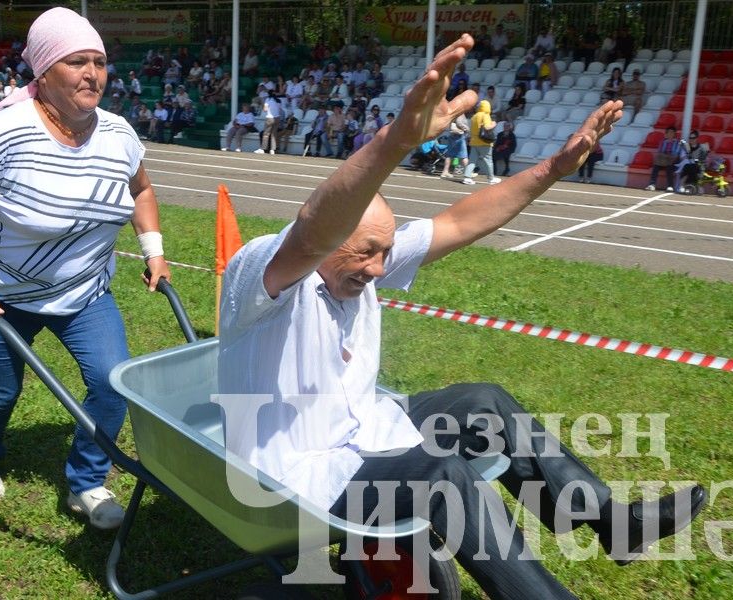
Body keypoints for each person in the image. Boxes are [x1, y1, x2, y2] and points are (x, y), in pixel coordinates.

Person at [217, 34, 706, 600]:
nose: (379, 268)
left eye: (384, 252)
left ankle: (613, 525)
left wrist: (553, 166)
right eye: (365, 254)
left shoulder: (358, 255)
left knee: (484, 402)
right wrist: (394, 140)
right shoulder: (264, 273)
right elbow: (314, 226)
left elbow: (460, 220)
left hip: (362, 435)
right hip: (294, 475)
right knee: (441, 475)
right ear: (328, 242)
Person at [0, 7, 170, 530]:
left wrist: (153, 247)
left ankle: (87, 482)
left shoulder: (120, 134)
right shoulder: (4, 132)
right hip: (2, 296)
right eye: (76, 61)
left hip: (85, 294)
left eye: (99, 62)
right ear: (43, 73)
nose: (92, 74)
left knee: (111, 383)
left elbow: (141, 189)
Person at [646, 126, 681, 191]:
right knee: (655, 166)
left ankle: (670, 186)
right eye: (669, 133)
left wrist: (667, 156)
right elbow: (659, 152)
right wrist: (666, 156)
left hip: (672, 161)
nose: (671, 134)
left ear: (674, 134)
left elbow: (676, 155)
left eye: (672, 133)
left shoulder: (678, 143)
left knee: (669, 167)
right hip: (663, 161)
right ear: (666, 134)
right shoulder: (663, 142)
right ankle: (652, 184)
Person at [440, 113, 469, 179]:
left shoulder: (453, 112)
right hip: (459, 136)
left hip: (452, 135)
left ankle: (445, 171)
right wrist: (467, 129)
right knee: (464, 155)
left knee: (449, 155)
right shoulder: (460, 113)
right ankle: (468, 172)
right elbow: (459, 123)